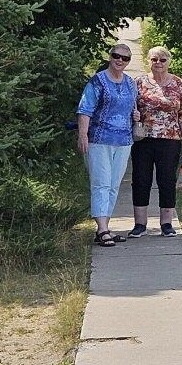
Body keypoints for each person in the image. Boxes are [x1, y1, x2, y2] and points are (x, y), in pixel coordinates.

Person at [77, 43, 139, 246]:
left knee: (113, 185)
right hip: (99, 139)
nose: (120, 60)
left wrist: (135, 115)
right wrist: (83, 135)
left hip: (123, 141)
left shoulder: (130, 83)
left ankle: (106, 226)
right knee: (101, 183)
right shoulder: (98, 81)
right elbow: (85, 109)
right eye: (116, 56)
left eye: (125, 58)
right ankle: (102, 229)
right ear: (110, 57)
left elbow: (132, 107)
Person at [129, 46, 182, 238]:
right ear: (148, 61)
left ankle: (167, 223)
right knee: (140, 179)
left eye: (162, 60)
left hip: (170, 139)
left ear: (169, 62)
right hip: (143, 139)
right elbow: (128, 107)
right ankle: (140, 224)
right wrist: (134, 115)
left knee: (166, 179)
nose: (158, 63)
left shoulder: (178, 83)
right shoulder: (138, 82)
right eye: (154, 59)